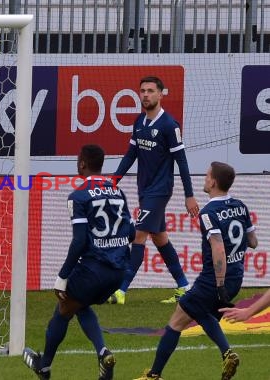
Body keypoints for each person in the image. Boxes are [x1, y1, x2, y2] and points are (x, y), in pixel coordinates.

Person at [134, 161, 258, 380]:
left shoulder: (209, 212)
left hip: (214, 280)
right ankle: (227, 353)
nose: (205, 178)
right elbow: (253, 241)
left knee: (176, 320)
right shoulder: (240, 206)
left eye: (207, 175)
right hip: (236, 277)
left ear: (213, 181)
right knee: (201, 313)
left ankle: (153, 376)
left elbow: (218, 247)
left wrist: (219, 284)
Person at [23, 144, 135, 380]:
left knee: (63, 308)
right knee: (80, 304)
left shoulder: (79, 196)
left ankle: (44, 367)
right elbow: (132, 233)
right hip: (118, 272)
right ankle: (103, 354)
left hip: (94, 269)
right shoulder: (117, 192)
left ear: (82, 163)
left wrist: (62, 276)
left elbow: (79, 241)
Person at [108, 76, 200, 305]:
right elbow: (131, 155)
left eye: (150, 91)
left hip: (160, 190)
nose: (146, 95)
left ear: (161, 94)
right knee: (160, 238)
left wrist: (189, 195)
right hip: (144, 189)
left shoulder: (169, 125)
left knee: (139, 235)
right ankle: (184, 286)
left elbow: (182, 161)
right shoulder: (139, 122)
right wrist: (114, 180)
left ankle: (121, 290)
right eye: (142, 91)